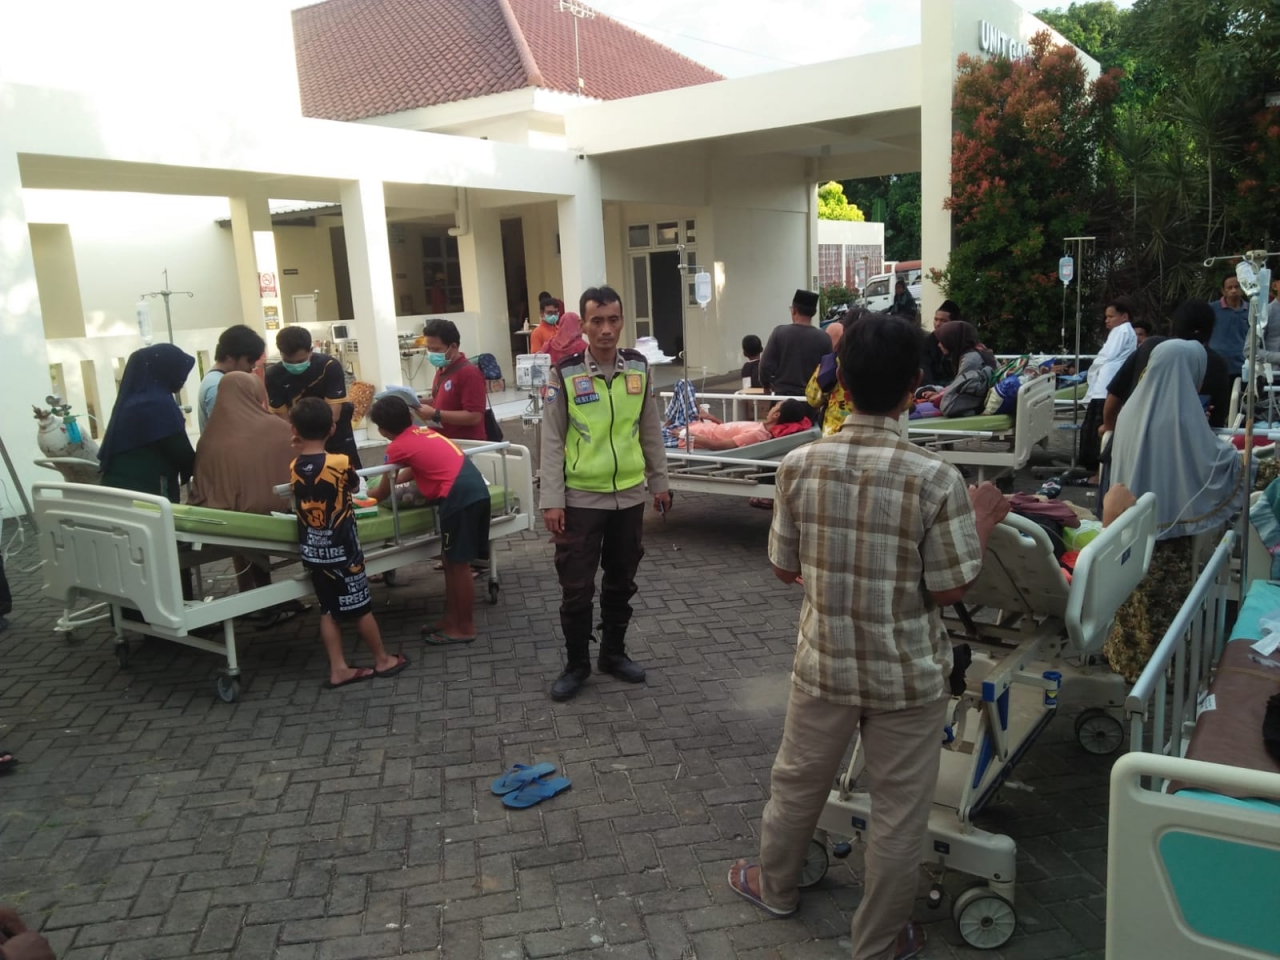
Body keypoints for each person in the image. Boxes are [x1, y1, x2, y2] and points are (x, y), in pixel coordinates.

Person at [727, 313, 1010, 960]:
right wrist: (982, 522)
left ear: (843, 386)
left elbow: (783, 568)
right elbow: (951, 588)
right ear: (913, 387)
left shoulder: (799, 465)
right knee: (898, 814)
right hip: (906, 675)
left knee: (797, 783)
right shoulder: (936, 479)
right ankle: (879, 943)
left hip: (823, 664)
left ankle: (776, 887)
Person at [540, 285, 670, 702]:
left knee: (621, 580)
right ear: (583, 324)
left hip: (628, 497)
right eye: (597, 321)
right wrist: (552, 499)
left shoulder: (639, 368)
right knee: (577, 586)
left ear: (622, 321)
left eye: (613, 320)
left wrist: (660, 481)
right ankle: (576, 664)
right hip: (580, 499)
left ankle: (613, 653)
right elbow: (552, 440)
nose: (606, 329)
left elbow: (649, 428)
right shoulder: (565, 372)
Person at [1103, 340, 1246, 682]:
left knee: (1132, 602)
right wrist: (1245, 462)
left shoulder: (1133, 408)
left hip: (1127, 526)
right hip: (1167, 534)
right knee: (1164, 608)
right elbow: (1211, 463)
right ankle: (1161, 678)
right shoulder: (1180, 416)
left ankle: (1128, 664)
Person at [288, 398, 407, 689]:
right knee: (361, 607)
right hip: (344, 551)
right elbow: (354, 487)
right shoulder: (340, 462)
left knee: (328, 610)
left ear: (295, 431)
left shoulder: (294, 466)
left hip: (315, 551)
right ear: (331, 429)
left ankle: (338, 668)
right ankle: (382, 659)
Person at [368, 396, 492, 645]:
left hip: (458, 499)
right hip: (474, 491)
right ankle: (451, 619)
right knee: (450, 560)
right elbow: (413, 468)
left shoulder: (397, 446)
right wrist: (394, 481)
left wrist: (363, 496)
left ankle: (465, 628)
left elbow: (382, 491)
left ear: (382, 431)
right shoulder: (425, 433)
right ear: (409, 417)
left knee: (458, 565)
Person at [191, 372, 300, 610]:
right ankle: (267, 596)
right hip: (270, 512)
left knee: (242, 527)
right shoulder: (277, 427)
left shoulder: (208, 437)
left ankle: (249, 591)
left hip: (220, 517)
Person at [1102, 301, 1231, 432]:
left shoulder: (1150, 346)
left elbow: (1114, 394)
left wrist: (1109, 429)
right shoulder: (1216, 363)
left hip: (1132, 434)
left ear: (1175, 324)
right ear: (1210, 328)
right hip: (1187, 439)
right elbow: (1217, 422)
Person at [98, 343, 196, 500]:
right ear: (167, 370)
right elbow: (180, 451)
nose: (183, 380)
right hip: (146, 494)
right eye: (180, 372)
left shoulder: (135, 400)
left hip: (117, 492)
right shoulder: (158, 404)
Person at [266, 326, 361, 467]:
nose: (295, 366)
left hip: (334, 433)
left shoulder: (329, 366)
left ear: (310, 351)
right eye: (289, 362)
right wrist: (304, 442)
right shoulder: (273, 375)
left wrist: (315, 444)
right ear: (281, 353)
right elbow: (282, 418)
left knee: (346, 472)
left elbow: (334, 414)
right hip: (300, 438)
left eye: (300, 361)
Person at [1079, 296, 1139, 471]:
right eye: (1106, 317)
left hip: (1105, 386)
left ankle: (1095, 469)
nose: (1107, 320)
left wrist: (1094, 369)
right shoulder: (1125, 332)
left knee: (1098, 429)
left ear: (1124, 316)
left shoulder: (1122, 331)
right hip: (1105, 383)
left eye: (1111, 316)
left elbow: (1108, 355)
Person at [418, 318, 487, 442]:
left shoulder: (469, 373)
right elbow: (443, 401)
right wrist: (416, 403)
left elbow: (474, 416)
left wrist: (435, 414)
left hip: (466, 445)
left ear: (453, 347)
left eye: (436, 349)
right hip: (444, 442)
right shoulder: (442, 369)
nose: (431, 354)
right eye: (429, 349)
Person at [759, 290, 831, 397]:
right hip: (810, 399)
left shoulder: (779, 333)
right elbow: (828, 370)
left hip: (783, 398)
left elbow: (765, 365)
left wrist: (766, 385)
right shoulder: (824, 338)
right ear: (814, 313)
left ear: (794, 310)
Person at [197, 324, 265, 431]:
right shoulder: (217, 386)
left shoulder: (221, 380)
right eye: (249, 360)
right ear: (230, 357)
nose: (252, 366)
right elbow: (226, 431)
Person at [923, 321, 996, 419]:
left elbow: (958, 390)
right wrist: (939, 393)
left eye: (943, 341)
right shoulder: (976, 351)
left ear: (952, 340)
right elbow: (958, 385)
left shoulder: (971, 360)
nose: (939, 345)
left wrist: (939, 396)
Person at [680, 398, 813, 451]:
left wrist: (687, 435)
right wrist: (712, 418)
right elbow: (729, 431)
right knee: (685, 390)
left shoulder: (756, 434)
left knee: (683, 386)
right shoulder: (762, 428)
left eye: (775, 406)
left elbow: (718, 445)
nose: (771, 408)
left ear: (776, 415)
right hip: (700, 426)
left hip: (691, 434)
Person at [805, 318, 853, 436]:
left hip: (834, 433)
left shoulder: (833, 362)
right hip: (877, 436)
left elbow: (812, 398)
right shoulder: (882, 363)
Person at [1207, 272, 1251, 373]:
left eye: (1237, 287)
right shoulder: (1211, 309)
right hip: (1216, 366)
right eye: (1229, 288)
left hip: (1243, 367)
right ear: (1223, 291)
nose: (1233, 290)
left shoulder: (1251, 310)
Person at [921, 299, 961, 387]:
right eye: (936, 319)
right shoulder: (927, 342)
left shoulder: (961, 342)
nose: (938, 324)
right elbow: (925, 369)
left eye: (943, 320)